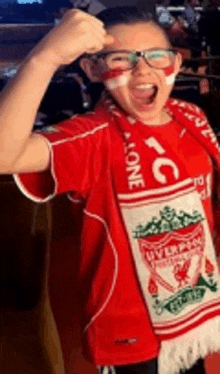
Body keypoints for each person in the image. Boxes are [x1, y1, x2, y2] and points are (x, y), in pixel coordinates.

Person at [0, 5, 220, 374]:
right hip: (130, 335)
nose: (143, 69)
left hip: (196, 314)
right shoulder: (92, 138)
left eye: (156, 56)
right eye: (122, 58)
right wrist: (44, 58)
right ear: (93, 69)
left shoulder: (190, 116)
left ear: (176, 63)